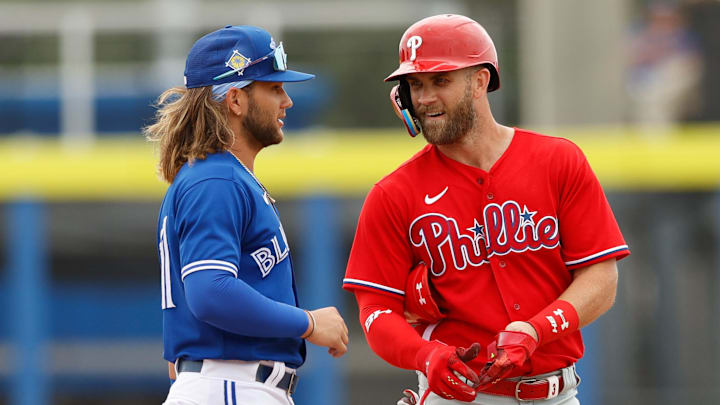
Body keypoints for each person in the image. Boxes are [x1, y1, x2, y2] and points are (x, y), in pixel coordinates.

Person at [343, 14, 629, 405]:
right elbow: (375, 313)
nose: (424, 98)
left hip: (557, 393)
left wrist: (536, 330)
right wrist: (426, 356)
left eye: (440, 81)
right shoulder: (394, 194)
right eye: (415, 85)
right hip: (461, 396)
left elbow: (602, 278)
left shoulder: (557, 160)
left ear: (480, 80)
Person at [144, 25, 349, 405]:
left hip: (229, 383)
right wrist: (308, 323)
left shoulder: (218, 176)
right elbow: (210, 292)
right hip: (231, 385)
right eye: (273, 88)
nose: (286, 101)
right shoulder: (217, 179)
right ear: (235, 100)